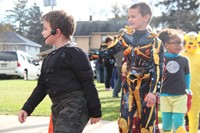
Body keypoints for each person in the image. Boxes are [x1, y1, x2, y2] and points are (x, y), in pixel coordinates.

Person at [18, 10, 102, 133]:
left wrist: (95, 111)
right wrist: (27, 108)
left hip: (75, 105)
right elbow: (41, 87)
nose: (42, 32)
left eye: (45, 29)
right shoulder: (48, 59)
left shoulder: (76, 54)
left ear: (56, 32)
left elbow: (88, 82)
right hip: (58, 106)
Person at [99, 2, 164, 132]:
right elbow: (106, 52)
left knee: (146, 123)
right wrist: (83, 53)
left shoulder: (155, 41)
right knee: (124, 120)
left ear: (146, 17)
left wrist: (153, 92)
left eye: (133, 16)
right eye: (129, 17)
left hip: (146, 87)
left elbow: (158, 68)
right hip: (127, 86)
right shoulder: (125, 37)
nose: (129, 20)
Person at [158, 28, 192, 133]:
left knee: (178, 123)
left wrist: (187, 89)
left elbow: (187, 76)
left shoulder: (184, 60)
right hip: (165, 96)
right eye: (176, 43)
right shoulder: (161, 59)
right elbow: (158, 76)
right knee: (166, 124)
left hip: (180, 96)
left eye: (181, 42)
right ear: (166, 45)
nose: (180, 45)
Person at [182, 32, 200, 133]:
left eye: (195, 43)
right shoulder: (181, 56)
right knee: (179, 118)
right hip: (181, 92)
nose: (193, 45)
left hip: (196, 93)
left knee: (194, 118)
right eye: (190, 42)